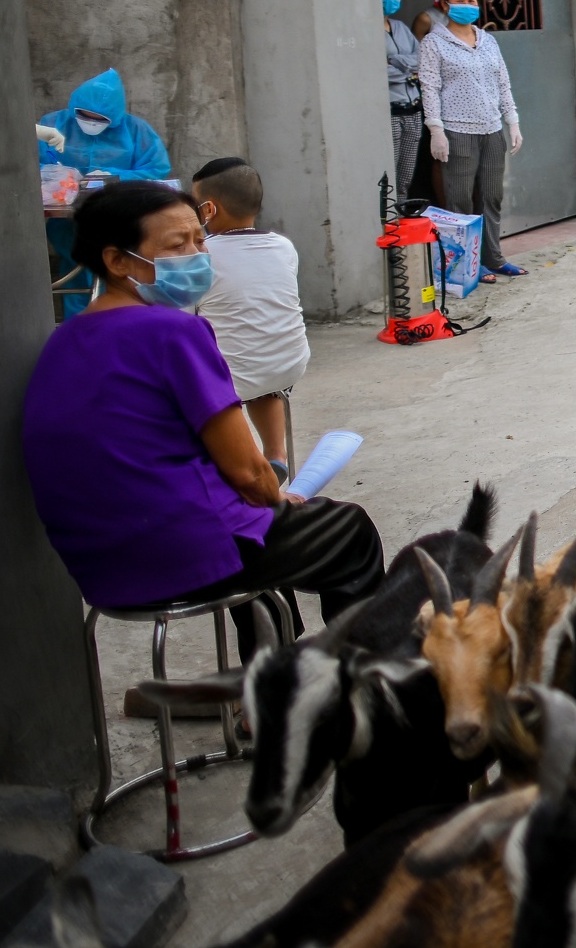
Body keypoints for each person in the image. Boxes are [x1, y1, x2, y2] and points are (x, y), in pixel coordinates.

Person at [22, 182, 385, 658]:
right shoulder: (173, 331)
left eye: (199, 239)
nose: (196, 255)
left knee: (255, 521)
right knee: (348, 530)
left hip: (100, 565)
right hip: (180, 553)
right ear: (117, 261)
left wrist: (266, 501)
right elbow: (250, 472)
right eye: (177, 245)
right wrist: (277, 496)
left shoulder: (63, 341)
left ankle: (265, 679)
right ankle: (360, 685)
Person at [192, 158, 309, 480]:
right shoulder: (283, 247)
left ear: (209, 210)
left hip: (234, 377)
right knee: (260, 370)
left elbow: (183, 319)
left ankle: (241, 463)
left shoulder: (202, 257)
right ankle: (276, 454)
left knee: (201, 358)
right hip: (289, 363)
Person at [417, 0, 527, 281]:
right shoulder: (434, 43)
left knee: (491, 196)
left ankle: (493, 257)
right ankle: (467, 266)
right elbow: (430, 87)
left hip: (492, 131)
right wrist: (436, 129)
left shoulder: (488, 40)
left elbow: (502, 83)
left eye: (472, 0)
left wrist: (512, 121)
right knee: (460, 200)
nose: (467, 6)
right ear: (444, 4)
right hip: (456, 131)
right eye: (460, 1)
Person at [38, 68, 173, 315]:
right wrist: (60, 178)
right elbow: (30, 164)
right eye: (85, 116)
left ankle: (111, 325)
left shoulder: (136, 131)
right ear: (73, 108)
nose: (91, 122)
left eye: (100, 119)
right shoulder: (52, 125)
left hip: (115, 217)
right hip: (66, 219)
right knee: (75, 272)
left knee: (117, 276)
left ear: (115, 118)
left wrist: (114, 177)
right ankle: (78, 331)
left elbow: (156, 168)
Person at [383, 0, 424, 202]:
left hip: (413, 108)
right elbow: (372, 71)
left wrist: (392, 61)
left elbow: (421, 59)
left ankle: (400, 215)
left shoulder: (400, 27)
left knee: (406, 173)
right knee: (390, 167)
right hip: (391, 109)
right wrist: (407, 69)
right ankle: (387, 219)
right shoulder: (365, 29)